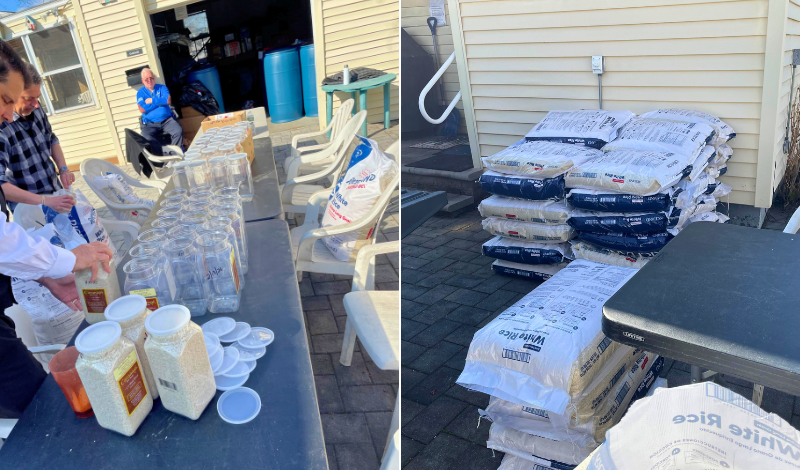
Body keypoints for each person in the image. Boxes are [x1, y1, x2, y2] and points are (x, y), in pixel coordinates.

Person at [0, 41, 113, 419]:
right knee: (40, 410)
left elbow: (6, 246)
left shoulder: (29, 116)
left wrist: (49, 278)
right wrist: (67, 260)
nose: (10, 114)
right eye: (6, 100)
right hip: (33, 207)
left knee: (41, 401)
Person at [0, 62, 74, 213]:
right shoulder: (2, 127)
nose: (36, 104)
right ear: (12, 95)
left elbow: (51, 138)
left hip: (55, 192)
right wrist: (45, 201)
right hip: (29, 208)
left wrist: (63, 169)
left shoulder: (35, 108)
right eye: (28, 98)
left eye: (37, 97)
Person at [136, 67, 183, 151]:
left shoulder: (162, 88)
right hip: (150, 123)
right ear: (142, 80)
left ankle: (174, 154)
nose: (149, 81)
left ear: (154, 78)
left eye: (151, 78)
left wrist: (151, 100)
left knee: (178, 131)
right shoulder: (140, 93)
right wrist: (160, 103)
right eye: (146, 79)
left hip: (167, 120)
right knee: (145, 136)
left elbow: (168, 101)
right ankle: (160, 152)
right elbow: (142, 109)